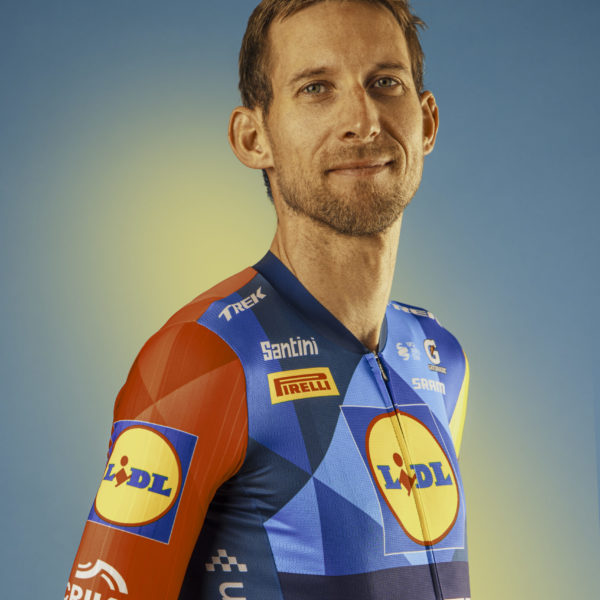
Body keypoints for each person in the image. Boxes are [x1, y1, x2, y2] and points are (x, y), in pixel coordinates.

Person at [66, 1, 471, 599]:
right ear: (253, 138)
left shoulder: (440, 356)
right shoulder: (202, 356)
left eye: (385, 82)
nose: (363, 121)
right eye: (316, 88)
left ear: (427, 122)